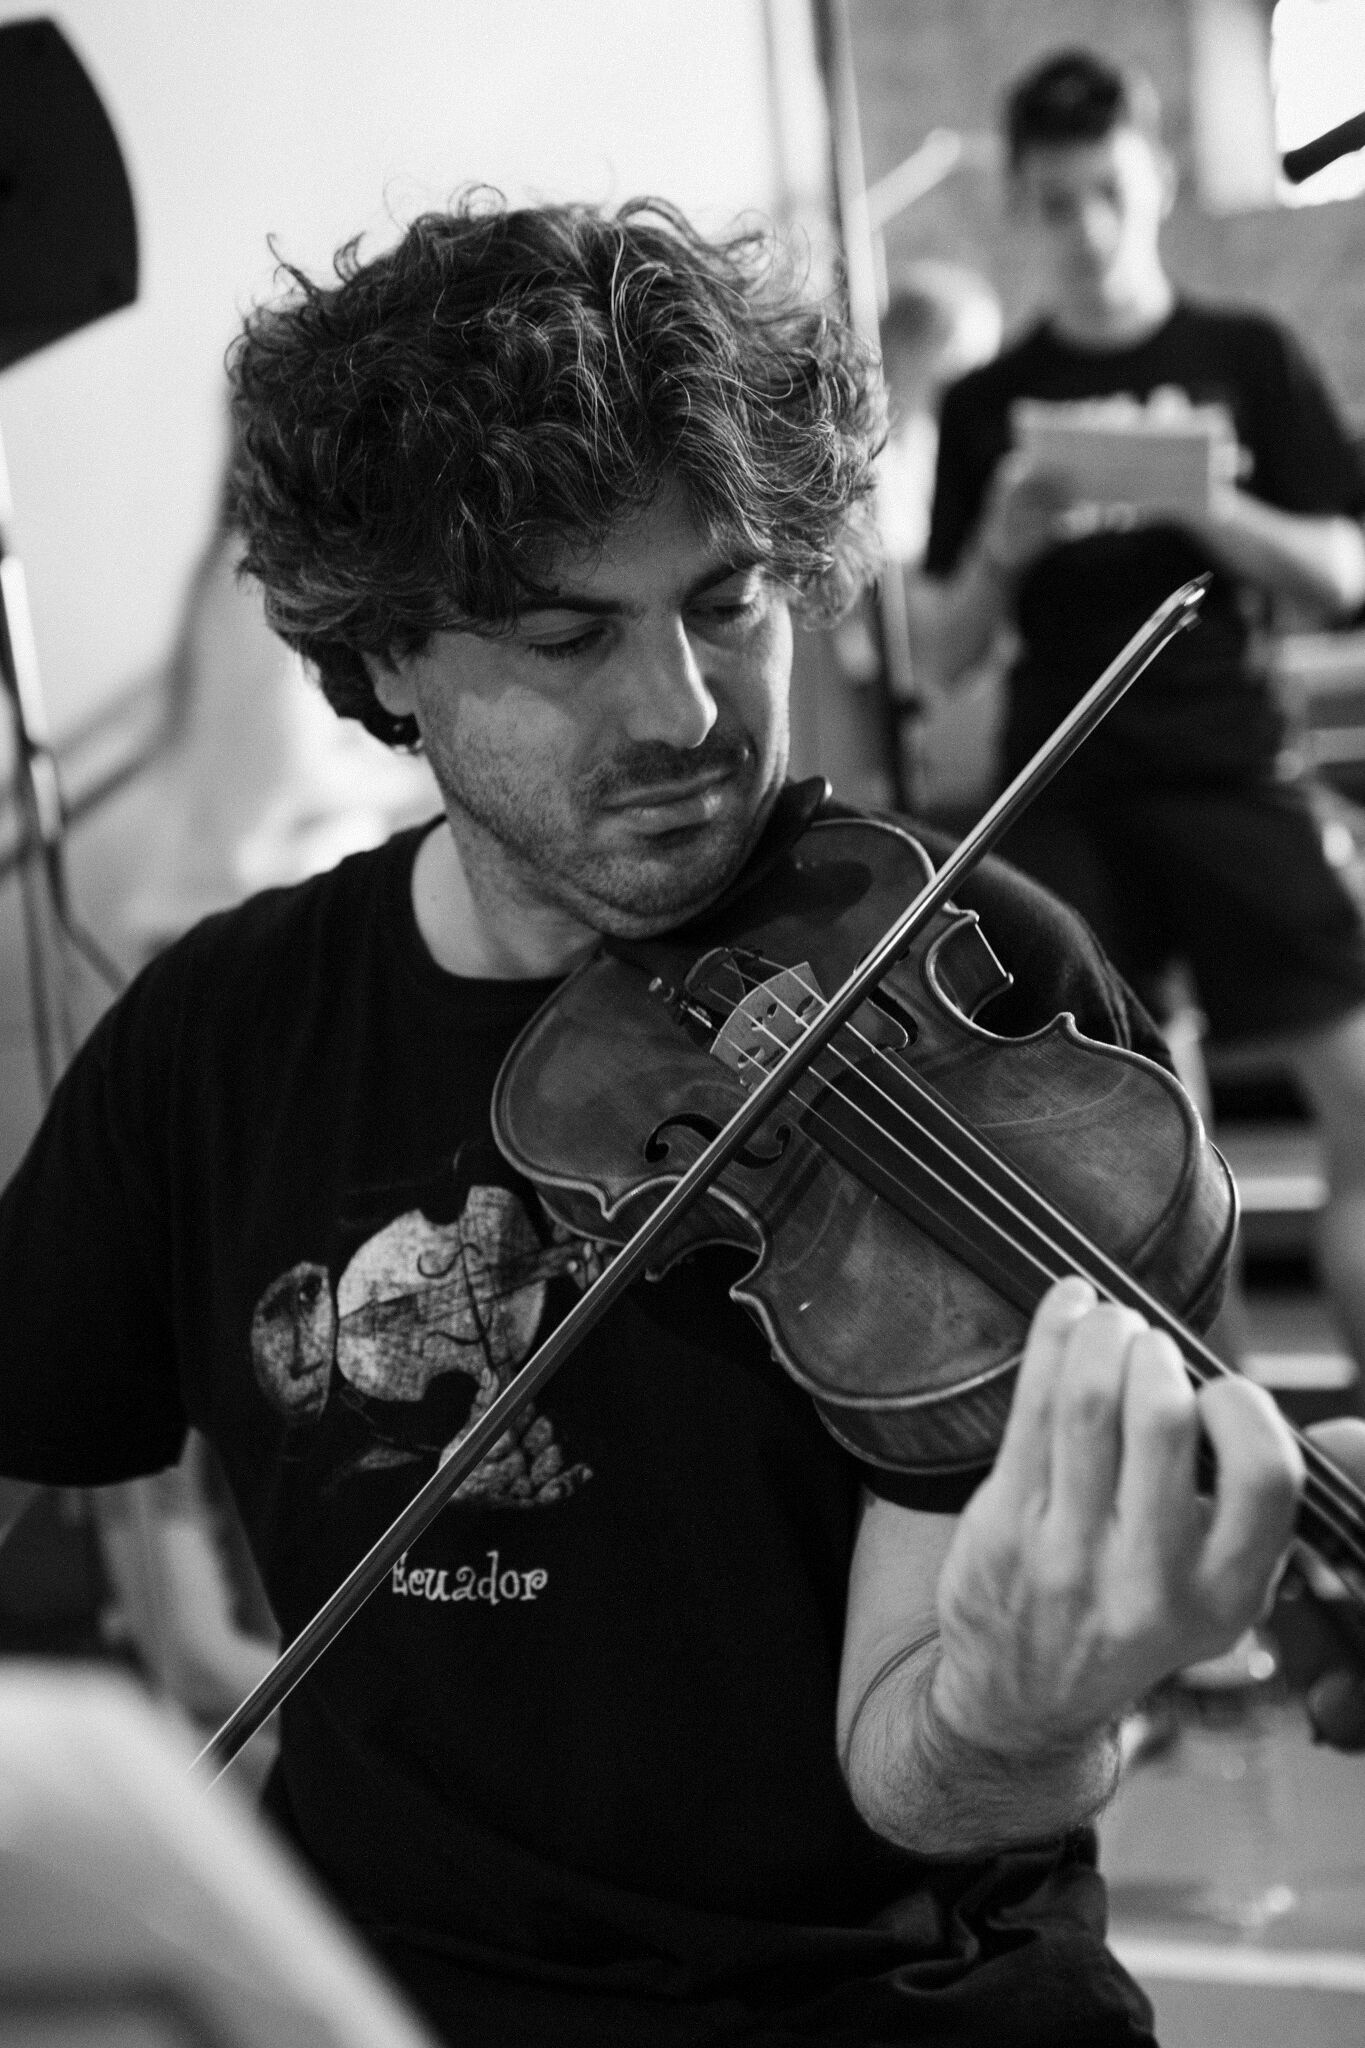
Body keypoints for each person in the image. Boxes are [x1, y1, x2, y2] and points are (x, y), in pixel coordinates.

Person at [0, 192, 1345, 2048]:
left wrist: (1022, 1704)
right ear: (382, 659)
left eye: (726, 601)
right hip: (374, 2007)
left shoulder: (978, 987)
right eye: (567, 637)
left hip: (885, 2011)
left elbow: (924, 1774)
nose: (687, 709)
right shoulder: (219, 1035)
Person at [911, 46, 1365, 1384]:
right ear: (1022, 204)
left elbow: (1343, 575)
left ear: (1156, 176)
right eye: (1056, 203)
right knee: (1149, 1152)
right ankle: (1231, 1443)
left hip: (1232, 767)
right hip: (1065, 793)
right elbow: (939, 654)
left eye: (1107, 191)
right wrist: (1001, 545)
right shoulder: (989, 402)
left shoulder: (1244, 353)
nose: (1088, 229)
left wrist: (1203, 499)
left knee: (1360, 1093)